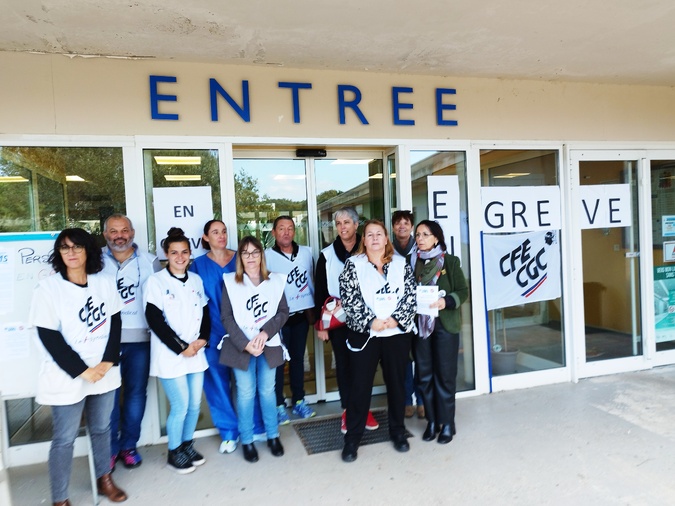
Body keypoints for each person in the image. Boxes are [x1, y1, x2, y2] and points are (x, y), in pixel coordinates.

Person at [29, 228, 127, 505]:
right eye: (64, 248)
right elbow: (49, 336)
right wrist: (84, 371)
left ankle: (104, 478)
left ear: (88, 251)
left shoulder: (105, 283)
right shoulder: (48, 289)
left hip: (104, 370)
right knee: (64, 439)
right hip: (68, 374)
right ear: (59, 253)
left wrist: (107, 362)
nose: (71, 253)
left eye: (77, 247)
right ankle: (60, 498)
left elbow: (115, 322)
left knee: (101, 428)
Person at [339, 219, 417, 463]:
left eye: (379, 234)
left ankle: (397, 432)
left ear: (386, 239)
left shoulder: (401, 264)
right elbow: (349, 298)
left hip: (395, 335)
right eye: (369, 234)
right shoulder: (353, 265)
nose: (374, 238)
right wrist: (371, 321)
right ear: (364, 240)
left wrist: (395, 319)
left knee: (397, 385)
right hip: (367, 336)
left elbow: (411, 295)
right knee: (360, 388)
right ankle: (352, 439)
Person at [189, 219, 266, 455]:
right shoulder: (197, 266)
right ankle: (229, 433)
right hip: (213, 333)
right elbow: (193, 302)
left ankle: (255, 426)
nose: (221, 235)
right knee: (218, 384)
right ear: (205, 237)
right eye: (215, 232)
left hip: (245, 333)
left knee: (247, 383)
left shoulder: (241, 258)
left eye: (224, 231)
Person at [144, 227, 210, 474]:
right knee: (180, 406)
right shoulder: (156, 282)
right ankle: (174, 452)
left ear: (190, 253)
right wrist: (181, 347)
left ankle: (186, 445)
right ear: (166, 254)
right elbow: (155, 320)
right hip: (171, 356)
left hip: (196, 352)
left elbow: (204, 313)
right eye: (174, 253)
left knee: (194, 405)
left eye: (184, 252)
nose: (180, 257)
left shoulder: (196, 279)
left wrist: (202, 340)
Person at [220, 236, 289, 463]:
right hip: (241, 347)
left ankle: (272, 435)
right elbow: (226, 318)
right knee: (246, 393)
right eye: (246, 253)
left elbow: (283, 312)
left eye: (255, 252)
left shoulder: (275, 281)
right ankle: (247, 440)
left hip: (268, 345)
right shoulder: (231, 281)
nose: (251, 257)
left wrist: (263, 334)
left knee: (268, 392)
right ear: (240, 257)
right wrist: (246, 343)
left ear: (262, 255)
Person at [102, 214, 160, 470]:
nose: (119, 236)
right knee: (109, 397)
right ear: (105, 235)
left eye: (124, 230)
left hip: (140, 341)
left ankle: (128, 446)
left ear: (133, 232)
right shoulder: (94, 262)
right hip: (105, 342)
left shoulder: (150, 261)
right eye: (113, 231)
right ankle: (110, 450)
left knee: (136, 394)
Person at [314, 206, 379, 434]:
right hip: (338, 321)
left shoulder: (369, 248)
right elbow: (320, 291)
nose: (342, 227)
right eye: (338, 224)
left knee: (365, 366)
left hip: (367, 318)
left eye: (346, 223)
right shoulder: (327, 255)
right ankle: (348, 411)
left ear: (356, 225)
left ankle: (364, 409)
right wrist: (321, 325)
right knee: (344, 367)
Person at [412, 220, 469, 445]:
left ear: (436, 238)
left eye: (425, 234)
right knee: (424, 376)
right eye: (418, 235)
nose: (420, 239)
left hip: (445, 326)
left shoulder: (450, 262)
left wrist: (447, 301)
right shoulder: (414, 262)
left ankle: (447, 423)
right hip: (422, 327)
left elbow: (463, 292)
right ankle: (432, 421)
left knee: (445, 376)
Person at [264, 216, 316, 423]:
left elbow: (312, 279)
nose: (286, 232)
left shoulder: (306, 252)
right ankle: (278, 404)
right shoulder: (266, 256)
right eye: (281, 228)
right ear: (274, 232)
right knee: (277, 363)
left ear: (295, 231)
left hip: (301, 316)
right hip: (278, 319)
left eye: (290, 228)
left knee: (297, 360)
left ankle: (299, 400)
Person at [391, 210, 425, 420]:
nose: (402, 226)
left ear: (411, 227)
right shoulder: (388, 249)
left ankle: (421, 400)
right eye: (398, 223)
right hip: (396, 312)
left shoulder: (420, 247)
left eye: (406, 223)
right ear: (393, 227)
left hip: (420, 311)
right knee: (403, 359)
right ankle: (406, 400)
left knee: (420, 357)